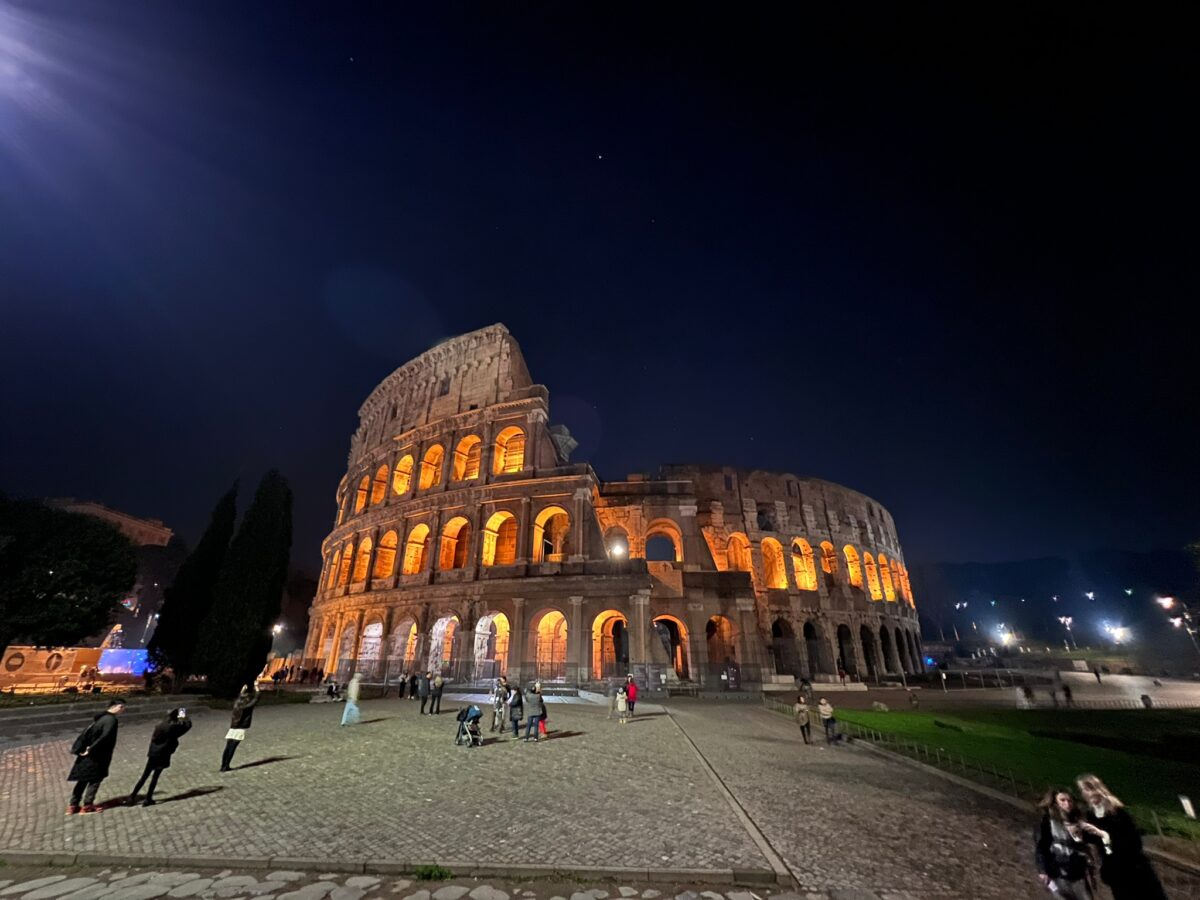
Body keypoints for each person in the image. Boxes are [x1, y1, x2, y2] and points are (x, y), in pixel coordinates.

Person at [1076, 774, 1167, 899]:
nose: (1086, 794)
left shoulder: (1116, 811)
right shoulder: (1091, 814)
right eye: (1083, 791)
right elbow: (1095, 839)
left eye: (1088, 789)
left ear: (1097, 789)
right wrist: (1082, 832)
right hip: (1115, 872)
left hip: (1133, 870)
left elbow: (1134, 842)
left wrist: (1105, 836)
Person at [66, 697, 126, 814]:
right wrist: (91, 749)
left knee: (82, 780)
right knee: (95, 780)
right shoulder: (111, 720)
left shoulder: (100, 718)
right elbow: (105, 736)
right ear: (114, 706)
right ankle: (87, 805)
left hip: (87, 754)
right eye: (121, 707)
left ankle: (73, 806)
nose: (122, 710)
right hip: (98, 755)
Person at [1034, 787, 1095, 899]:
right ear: (1056, 802)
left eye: (1069, 800)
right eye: (1062, 800)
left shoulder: (1077, 820)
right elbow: (1041, 846)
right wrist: (1042, 870)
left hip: (1077, 873)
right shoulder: (1047, 820)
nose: (1067, 804)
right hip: (1057, 873)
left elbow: (1084, 844)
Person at [129, 707, 192, 806]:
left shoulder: (160, 725)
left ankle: (132, 796)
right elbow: (187, 726)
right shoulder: (174, 728)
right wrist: (184, 716)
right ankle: (148, 798)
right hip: (163, 753)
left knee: (145, 776)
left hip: (154, 753)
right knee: (155, 777)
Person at [220, 684, 259, 772]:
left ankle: (223, 765)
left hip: (233, 726)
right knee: (232, 748)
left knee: (228, 747)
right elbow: (255, 700)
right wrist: (257, 690)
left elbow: (241, 697)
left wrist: (242, 691)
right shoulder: (245, 706)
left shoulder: (237, 703)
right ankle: (226, 766)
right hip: (240, 727)